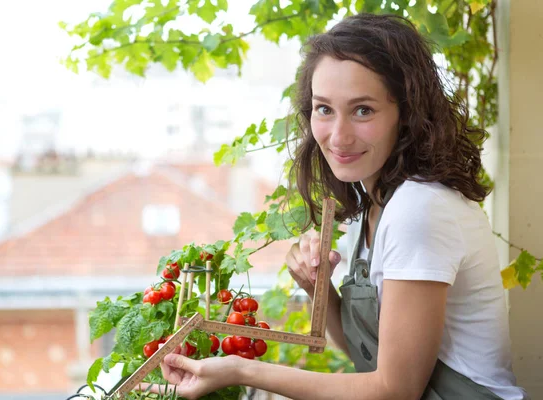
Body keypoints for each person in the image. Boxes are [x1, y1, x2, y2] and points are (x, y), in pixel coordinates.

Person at [151, 13, 529, 400]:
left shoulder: (419, 208)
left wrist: (239, 369)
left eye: (363, 110)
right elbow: (373, 359)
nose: (338, 136)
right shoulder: (376, 202)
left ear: (408, 113)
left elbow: (394, 390)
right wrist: (321, 291)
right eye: (324, 109)